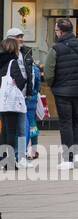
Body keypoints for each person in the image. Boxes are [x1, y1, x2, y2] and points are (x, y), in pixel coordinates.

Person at [45, 17, 78, 169]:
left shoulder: (56, 49)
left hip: (62, 92)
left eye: (56, 30)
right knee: (75, 122)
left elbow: (49, 72)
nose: (56, 33)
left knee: (65, 124)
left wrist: (52, 86)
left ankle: (68, 159)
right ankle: (77, 155)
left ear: (61, 31)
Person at [0, 33, 30, 171]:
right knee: (12, 131)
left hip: (2, 101)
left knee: (4, 131)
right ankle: (10, 161)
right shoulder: (13, 62)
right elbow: (21, 82)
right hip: (11, 102)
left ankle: (2, 159)